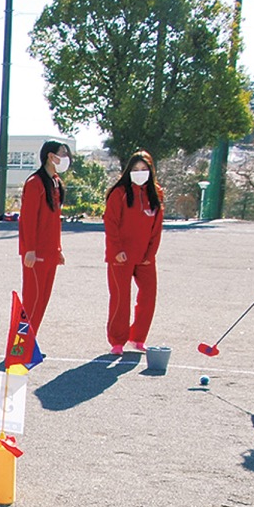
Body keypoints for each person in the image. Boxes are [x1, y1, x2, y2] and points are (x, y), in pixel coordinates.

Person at [103, 150, 164, 355]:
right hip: (121, 256)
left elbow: (156, 227)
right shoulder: (118, 193)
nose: (140, 173)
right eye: (136, 169)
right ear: (129, 171)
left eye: (144, 169)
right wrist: (116, 250)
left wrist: (150, 253)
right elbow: (110, 223)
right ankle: (117, 341)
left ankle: (137, 337)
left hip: (145, 257)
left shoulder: (156, 193)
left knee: (148, 296)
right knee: (120, 297)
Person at [18, 141, 70, 332]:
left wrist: (58, 249)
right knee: (32, 299)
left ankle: (30, 341)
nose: (66, 158)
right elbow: (28, 220)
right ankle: (20, 345)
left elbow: (54, 221)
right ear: (50, 156)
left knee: (43, 299)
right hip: (36, 253)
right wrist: (29, 250)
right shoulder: (35, 183)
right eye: (62, 154)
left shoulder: (55, 182)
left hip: (50, 251)